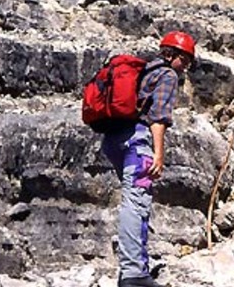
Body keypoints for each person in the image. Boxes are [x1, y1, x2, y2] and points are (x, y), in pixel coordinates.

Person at [101, 31, 196, 287]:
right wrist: (159, 154)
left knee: (133, 199)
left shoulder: (143, 71)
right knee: (136, 204)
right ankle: (134, 274)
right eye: (184, 60)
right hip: (138, 143)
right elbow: (158, 118)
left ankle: (134, 266)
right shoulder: (166, 75)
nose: (185, 67)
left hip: (113, 141)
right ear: (171, 54)